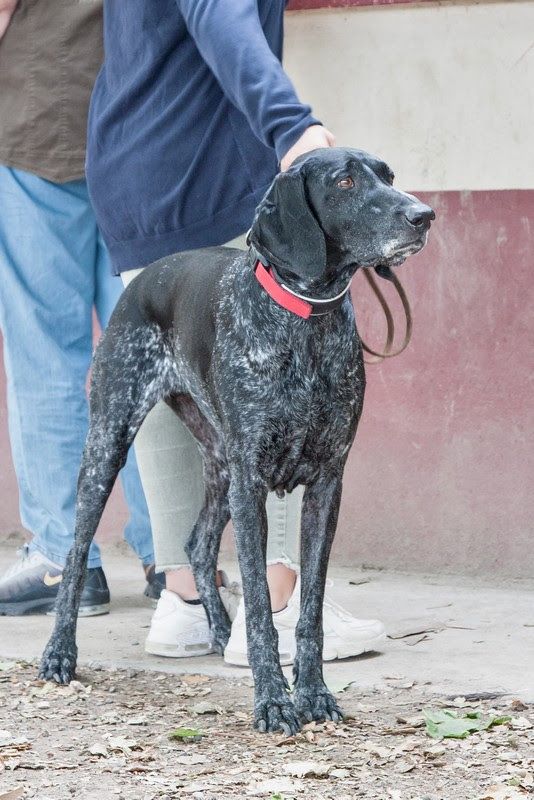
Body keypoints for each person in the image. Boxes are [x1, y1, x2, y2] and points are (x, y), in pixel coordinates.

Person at [87, 0, 386, 665]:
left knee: (170, 376)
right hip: (210, 166)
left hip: (132, 163)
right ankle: (276, 605)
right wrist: (293, 126)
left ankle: (185, 601)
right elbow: (219, 15)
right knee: (282, 376)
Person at [0, 0, 163, 616]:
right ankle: (172, 559)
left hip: (42, 112)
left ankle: (63, 560)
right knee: (153, 353)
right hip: (142, 118)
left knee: (45, 350)